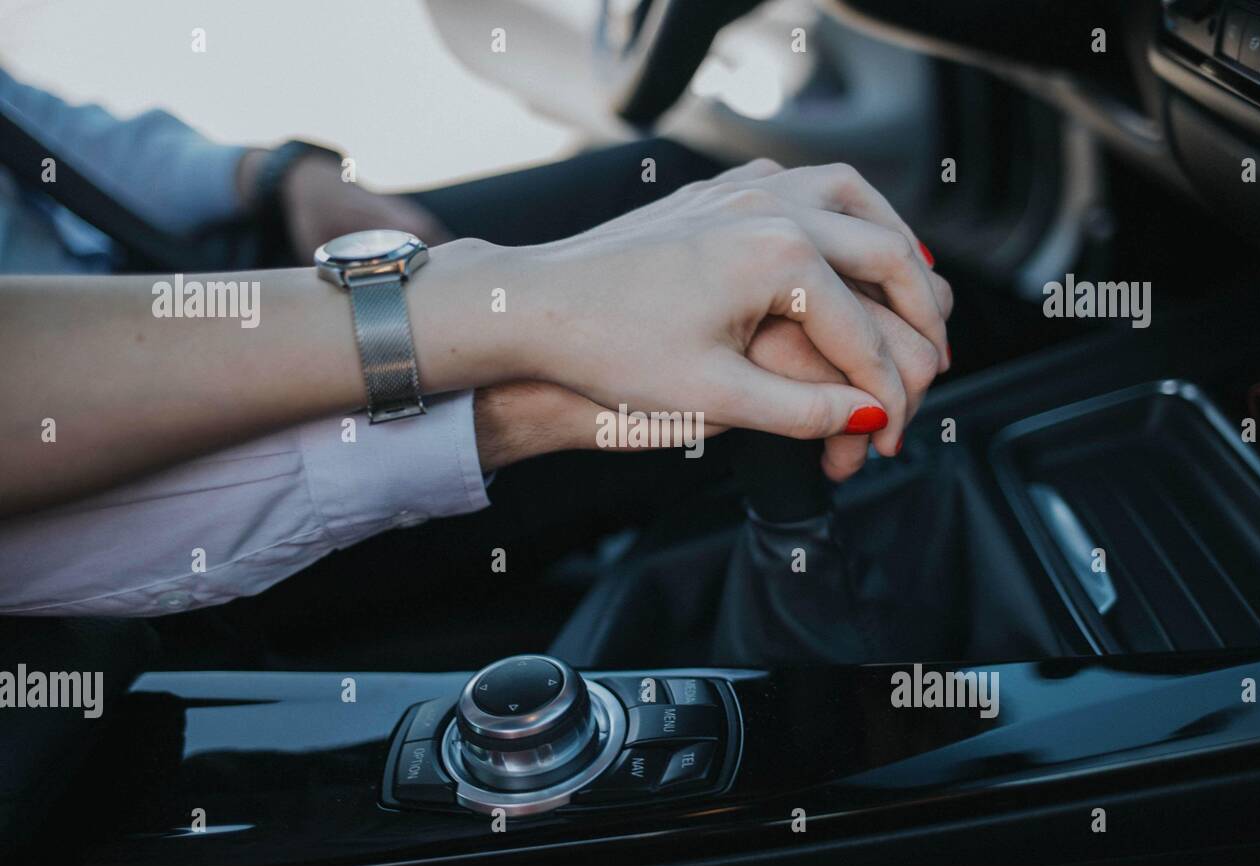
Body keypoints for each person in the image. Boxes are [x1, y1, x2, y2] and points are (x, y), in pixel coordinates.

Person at [0, 63, 951, 620]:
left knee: (718, 201)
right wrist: (519, 361)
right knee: (754, 347)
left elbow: (43, 131)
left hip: (220, 263)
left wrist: (275, 173)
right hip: (104, 472)